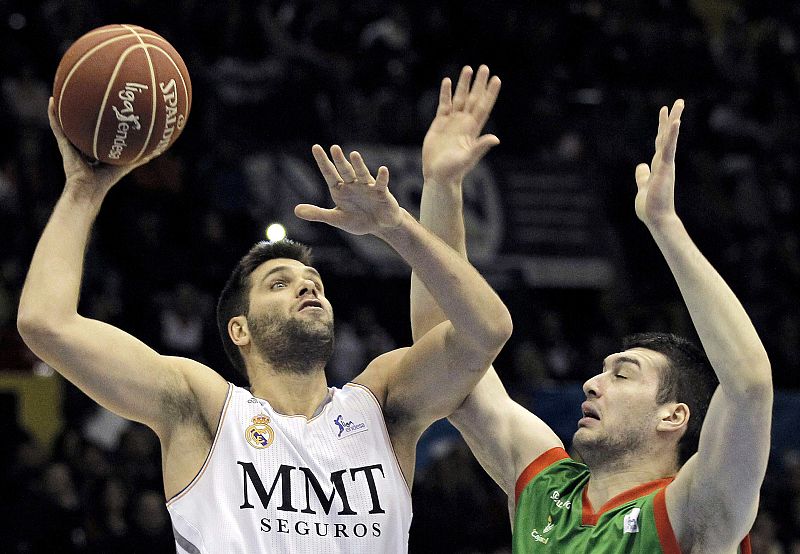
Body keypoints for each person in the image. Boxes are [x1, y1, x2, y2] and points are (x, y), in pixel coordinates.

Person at [16, 97, 513, 553]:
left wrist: (400, 224)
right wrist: (83, 191)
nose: (308, 288)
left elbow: (485, 331)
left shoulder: (381, 403)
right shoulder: (205, 410)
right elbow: (46, 324)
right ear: (241, 330)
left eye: (314, 282)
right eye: (279, 283)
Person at [412, 65, 771, 552]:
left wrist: (665, 226)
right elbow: (443, 353)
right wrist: (441, 186)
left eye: (622, 375)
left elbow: (749, 385)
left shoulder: (694, 511)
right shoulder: (544, 489)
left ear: (673, 416)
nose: (592, 383)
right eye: (604, 371)